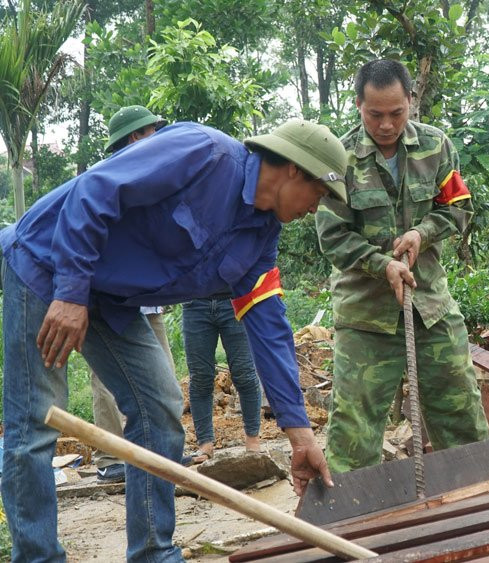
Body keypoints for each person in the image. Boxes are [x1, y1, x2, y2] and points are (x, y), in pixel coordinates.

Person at [0, 118, 342, 561]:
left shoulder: (262, 234)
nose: (316, 208)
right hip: (48, 265)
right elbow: (96, 190)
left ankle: (152, 553)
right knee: (35, 422)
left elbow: (268, 325)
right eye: (320, 194)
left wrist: (301, 437)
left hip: (110, 299)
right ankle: (38, 557)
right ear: (296, 169)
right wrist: (69, 293)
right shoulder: (202, 153)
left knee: (160, 410)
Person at [316, 59, 489, 473]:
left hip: (429, 306)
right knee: (353, 433)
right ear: (358, 104)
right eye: (375, 114)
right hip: (366, 316)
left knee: (461, 411)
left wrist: (423, 233)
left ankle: (481, 505)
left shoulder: (436, 146)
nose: (387, 124)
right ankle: (352, 528)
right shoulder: (338, 159)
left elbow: (459, 206)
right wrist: (382, 265)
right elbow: (333, 236)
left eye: (397, 112)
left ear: (411, 100)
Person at [89, 105, 174, 484]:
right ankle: (110, 456)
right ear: (137, 135)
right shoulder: (104, 180)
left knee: (164, 378)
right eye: (154, 129)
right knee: (104, 380)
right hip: (106, 302)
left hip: (146, 301)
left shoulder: (155, 178)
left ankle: (162, 454)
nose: (159, 136)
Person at [182, 293, 262, 463]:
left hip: (235, 298)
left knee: (244, 373)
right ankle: (205, 445)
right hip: (194, 302)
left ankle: (253, 440)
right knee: (200, 377)